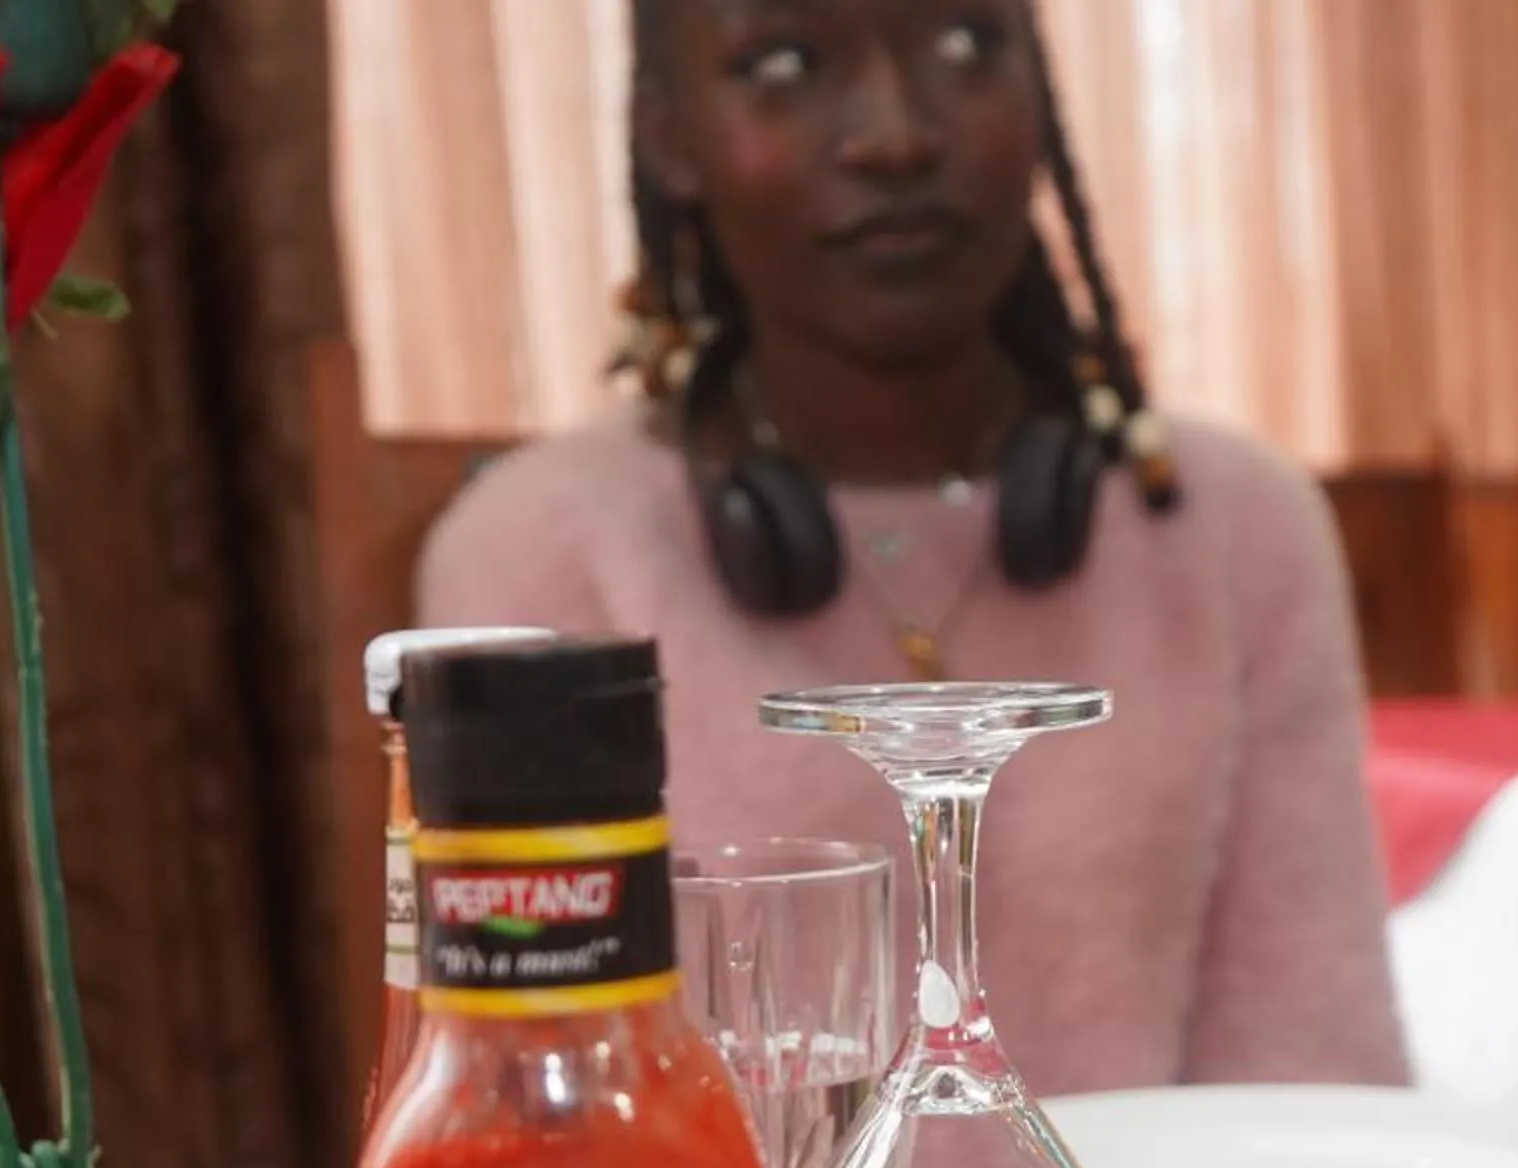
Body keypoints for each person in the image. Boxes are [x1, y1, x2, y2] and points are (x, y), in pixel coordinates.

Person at [418, 0, 1408, 1098]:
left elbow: (1317, 1069)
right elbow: (538, 1115)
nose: (895, 134)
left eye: (962, 45)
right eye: (785, 60)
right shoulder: (539, 550)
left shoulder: (1230, 523)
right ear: (669, 136)